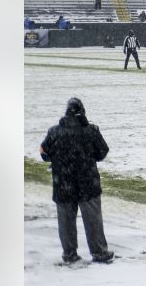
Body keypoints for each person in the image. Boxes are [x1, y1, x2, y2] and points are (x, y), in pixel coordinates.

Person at [39, 98, 113, 264]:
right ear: (82, 111)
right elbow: (102, 152)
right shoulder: (91, 131)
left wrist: (59, 158)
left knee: (65, 222)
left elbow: (44, 153)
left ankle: (69, 254)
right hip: (88, 183)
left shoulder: (54, 132)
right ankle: (99, 252)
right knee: (93, 220)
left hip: (63, 183)